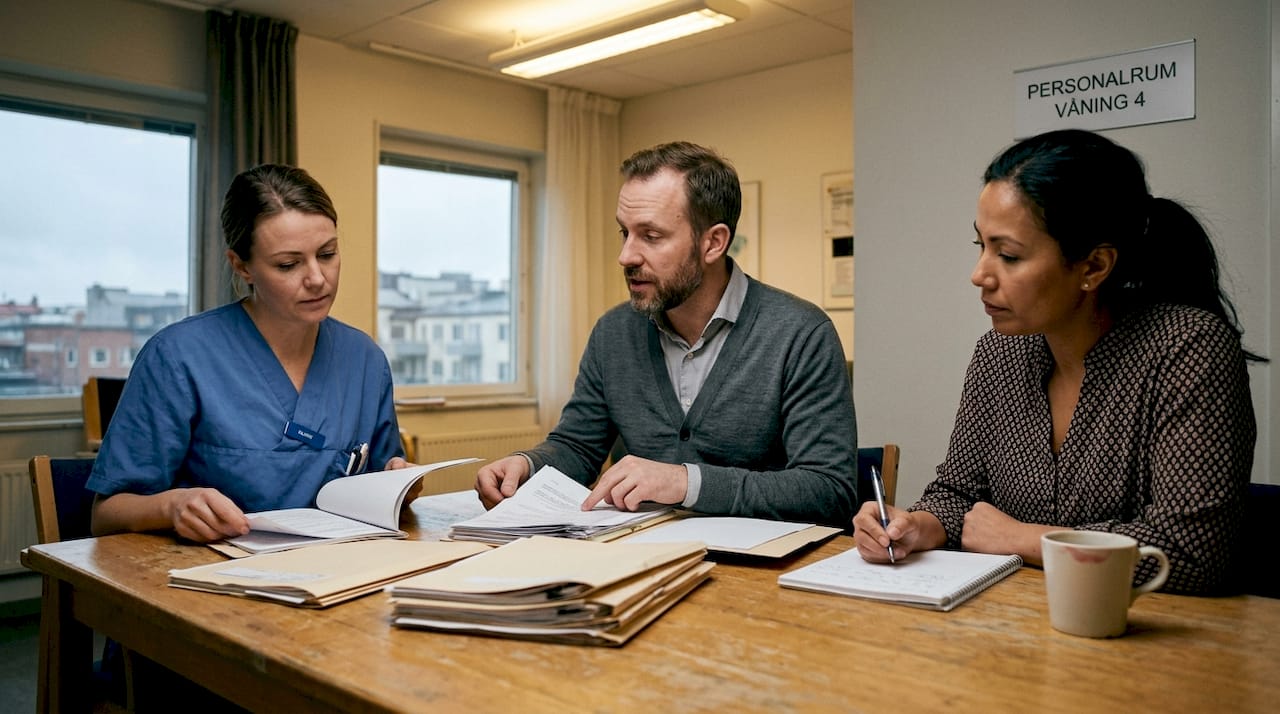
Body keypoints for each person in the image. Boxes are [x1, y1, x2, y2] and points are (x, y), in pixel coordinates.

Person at [853, 129, 1260, 594]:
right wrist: (916, 526)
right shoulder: (999, 353)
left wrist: (1023, 538)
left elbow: (1192, 554)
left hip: (1143, 640)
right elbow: (958, 495)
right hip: (1012, 626)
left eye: (1007, 254)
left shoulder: (1188, 348)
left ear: (1093, 267)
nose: (979, 275)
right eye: (980, 246)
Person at [476, 141, 857, 528]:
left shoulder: (801, 333)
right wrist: (529, 465)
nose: (626, 256)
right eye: (624, 233)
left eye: (651, 236)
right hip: (642, 559)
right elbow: (578, 446)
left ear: (713, 242)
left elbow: (829, 490)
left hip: (760, 573)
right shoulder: (613, 333)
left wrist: (685, 482)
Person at [88, 164, 408, 543]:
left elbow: (384, 482)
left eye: (327, 254)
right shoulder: (178, 357)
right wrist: (172, 506)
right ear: (241, 266)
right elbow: (105, 515)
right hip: (211, 582)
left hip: (340, 574)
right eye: (288, 264)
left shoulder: (364, 360)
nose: (318, 279)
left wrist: (400, 486)